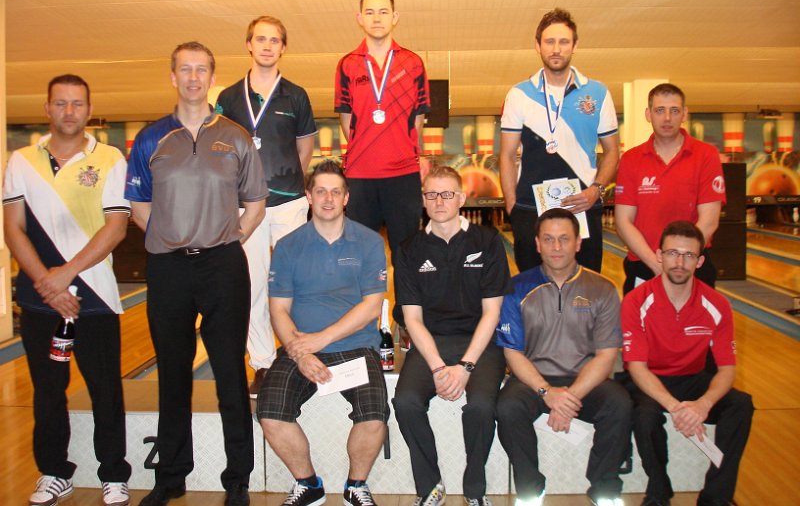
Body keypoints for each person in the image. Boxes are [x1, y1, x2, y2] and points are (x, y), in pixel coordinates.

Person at [126, 42, 267, 506]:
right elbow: (139, 206)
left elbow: (256, 203)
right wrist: (173, 236)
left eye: (201, 69)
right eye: (184, 69)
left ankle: (238, 479)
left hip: (222, 264)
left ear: (211, 77)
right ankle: (171, 477)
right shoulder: (151, 138)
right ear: (173, 77)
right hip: (168, 267)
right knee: (172, 375)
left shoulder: (235, 136)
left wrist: (228, 238)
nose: (193, 77)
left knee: (229, 374)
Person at [3, 74, 132, 506]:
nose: (70, 111)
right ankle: (54, 473)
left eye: (77, 103)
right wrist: (47, 283)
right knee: (48, 391)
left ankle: (113, 474)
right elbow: (14, 229)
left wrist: (65, 274)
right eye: (61, 103)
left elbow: (116, 228)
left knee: (105, 390)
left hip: (95, 296)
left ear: (89, 109)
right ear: (47, 109)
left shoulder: (110, 158)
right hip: (41, 300)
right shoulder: (21, 161)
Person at [257, 160, 389, 506]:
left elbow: (371, 307)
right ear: (308, 196)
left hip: (356, 347)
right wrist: (301, 351)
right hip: (300, 346)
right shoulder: (288, 246)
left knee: (375, 415)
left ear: (346, 197)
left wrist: (321, 339)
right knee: (269, 412)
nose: (328, 199)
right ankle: (308, 484)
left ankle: (356, 486)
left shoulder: (369, 242)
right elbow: (278, 309)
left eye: (335, 192)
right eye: (320, 191)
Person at [393, 166, 511, 506]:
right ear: (423, 200)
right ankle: (429, 486)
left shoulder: (487, 242)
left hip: (480, 343)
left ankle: (475, 488)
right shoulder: (409, 249)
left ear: (461, 198)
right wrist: (437, 367)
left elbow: (492, 313)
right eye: (431, 194)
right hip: (431, 342)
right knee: (405, 402)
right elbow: (412, 320)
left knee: (482, 406)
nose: (439, 201)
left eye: (447, 194)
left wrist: (466, 367)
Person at [495, 208, 630, 506]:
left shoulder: (602, 289)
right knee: (507, 407)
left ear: (578, 243)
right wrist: (547, 392)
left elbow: (606, 356)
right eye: (548, 239)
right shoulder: (516, 289)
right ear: (537, 244)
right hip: (533, 380)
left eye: (564, 239)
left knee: (620, 404)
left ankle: (605, 489)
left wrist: (568, 398)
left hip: (586, 379)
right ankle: (530, 490)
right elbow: (512, 352)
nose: (556, 247)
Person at [216, 15, 318, 397]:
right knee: (253, 285)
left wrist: (290, 182)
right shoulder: (228, 98)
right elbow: (220, 151)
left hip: (289, 203)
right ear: (249, 44)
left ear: (283, 47)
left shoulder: (297, 95)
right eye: (261, 39)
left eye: (274, 40)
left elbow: (305, 147)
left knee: (297, 284)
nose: (267, 46)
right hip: (245, 207)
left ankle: (301, 355)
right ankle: (262, 363)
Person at [621, 221, 753, 506]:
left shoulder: (717, 304)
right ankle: (658, 493)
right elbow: (637, 367)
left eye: (688, 255)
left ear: (700, 261)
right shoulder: (636, 301)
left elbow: (727, 369)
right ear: (659, 255)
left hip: (692, 378)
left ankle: (715, 497)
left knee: (741, 405)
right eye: (672, 253)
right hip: (648, 381)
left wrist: (703, 404)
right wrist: (676, 407)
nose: (679, 263)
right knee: (645, 416)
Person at [499, 8, 619, 274]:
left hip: (583, 203)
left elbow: (612, 151)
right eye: (549, 41)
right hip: (530, 207)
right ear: (538, 45)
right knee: (533, 289)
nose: (556, 49)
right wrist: (513, 207)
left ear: (574, 46)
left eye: (564, 42)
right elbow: (506, 155)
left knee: (585, 288)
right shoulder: (519, 95)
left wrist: (596, 190)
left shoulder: (597, 93)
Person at [334, 0, 431, 264]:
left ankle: (405, 299)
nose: (377, 18)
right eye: (370, 12)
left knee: (407, 256)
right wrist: (366, 148)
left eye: (383, 12)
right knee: (360, 257)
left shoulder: (413, 63)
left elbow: (418, 119)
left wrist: (400, 148)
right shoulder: (347, 65)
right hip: (360, 174)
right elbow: (346, 118)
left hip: (403, 173)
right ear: (359, 18)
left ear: (394, 17)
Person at [615, 83, 726, 294]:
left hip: (693, 267)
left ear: (684, 114)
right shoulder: (631, 159)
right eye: (660, 110)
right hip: (644, 264)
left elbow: (709, 221)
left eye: (674, 110)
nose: (667, 118)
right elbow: (623, 222)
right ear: (648, 114)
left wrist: (681, 262)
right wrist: (658, 265)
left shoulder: (706, 155)